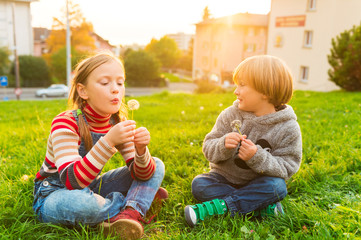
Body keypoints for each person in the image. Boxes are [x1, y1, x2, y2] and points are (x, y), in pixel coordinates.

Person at [32, 52, 167, 240]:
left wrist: (141, 151)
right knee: (84, 206)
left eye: (120, 83)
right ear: (83, 91)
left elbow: (141, 174)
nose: (115, 90)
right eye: (105, 83)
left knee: (156, 164)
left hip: (92, 186)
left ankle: (130, 213)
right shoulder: (65, 122)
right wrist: (108, 141)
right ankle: (139, 201)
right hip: (55, 193)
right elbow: (72, 181)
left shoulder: (117, 122)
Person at [184, 55, 302, 227]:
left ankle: (218, 208)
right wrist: (222, 144)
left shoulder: (288, 127)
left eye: (242, 85)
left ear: (265, 92)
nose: (235, 91)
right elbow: (208, 148)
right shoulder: (229, 115)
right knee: (200, 184)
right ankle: (259, 207)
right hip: (222, 179)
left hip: (259, 183)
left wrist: (257, 157)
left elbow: (287, 167)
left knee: (277, 187)